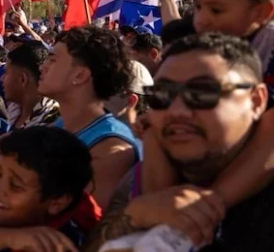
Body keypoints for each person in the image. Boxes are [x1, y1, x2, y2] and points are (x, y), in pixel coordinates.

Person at [87, 33, 270, 251]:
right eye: (162, 94)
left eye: (202, 93)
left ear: (256, 101)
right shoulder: (141, 180)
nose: (176, 111)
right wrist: (136, 216)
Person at [38, 26, 139, 210]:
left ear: (80, 75)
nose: (42, 66)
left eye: (52, 59)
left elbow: (87, 226)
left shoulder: (112, 151)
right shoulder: (60, 125)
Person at [2, 41, 60, 129]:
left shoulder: (51, 123)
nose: (1, 79)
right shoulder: (13, 108)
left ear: (22, 79)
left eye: (6, 73)